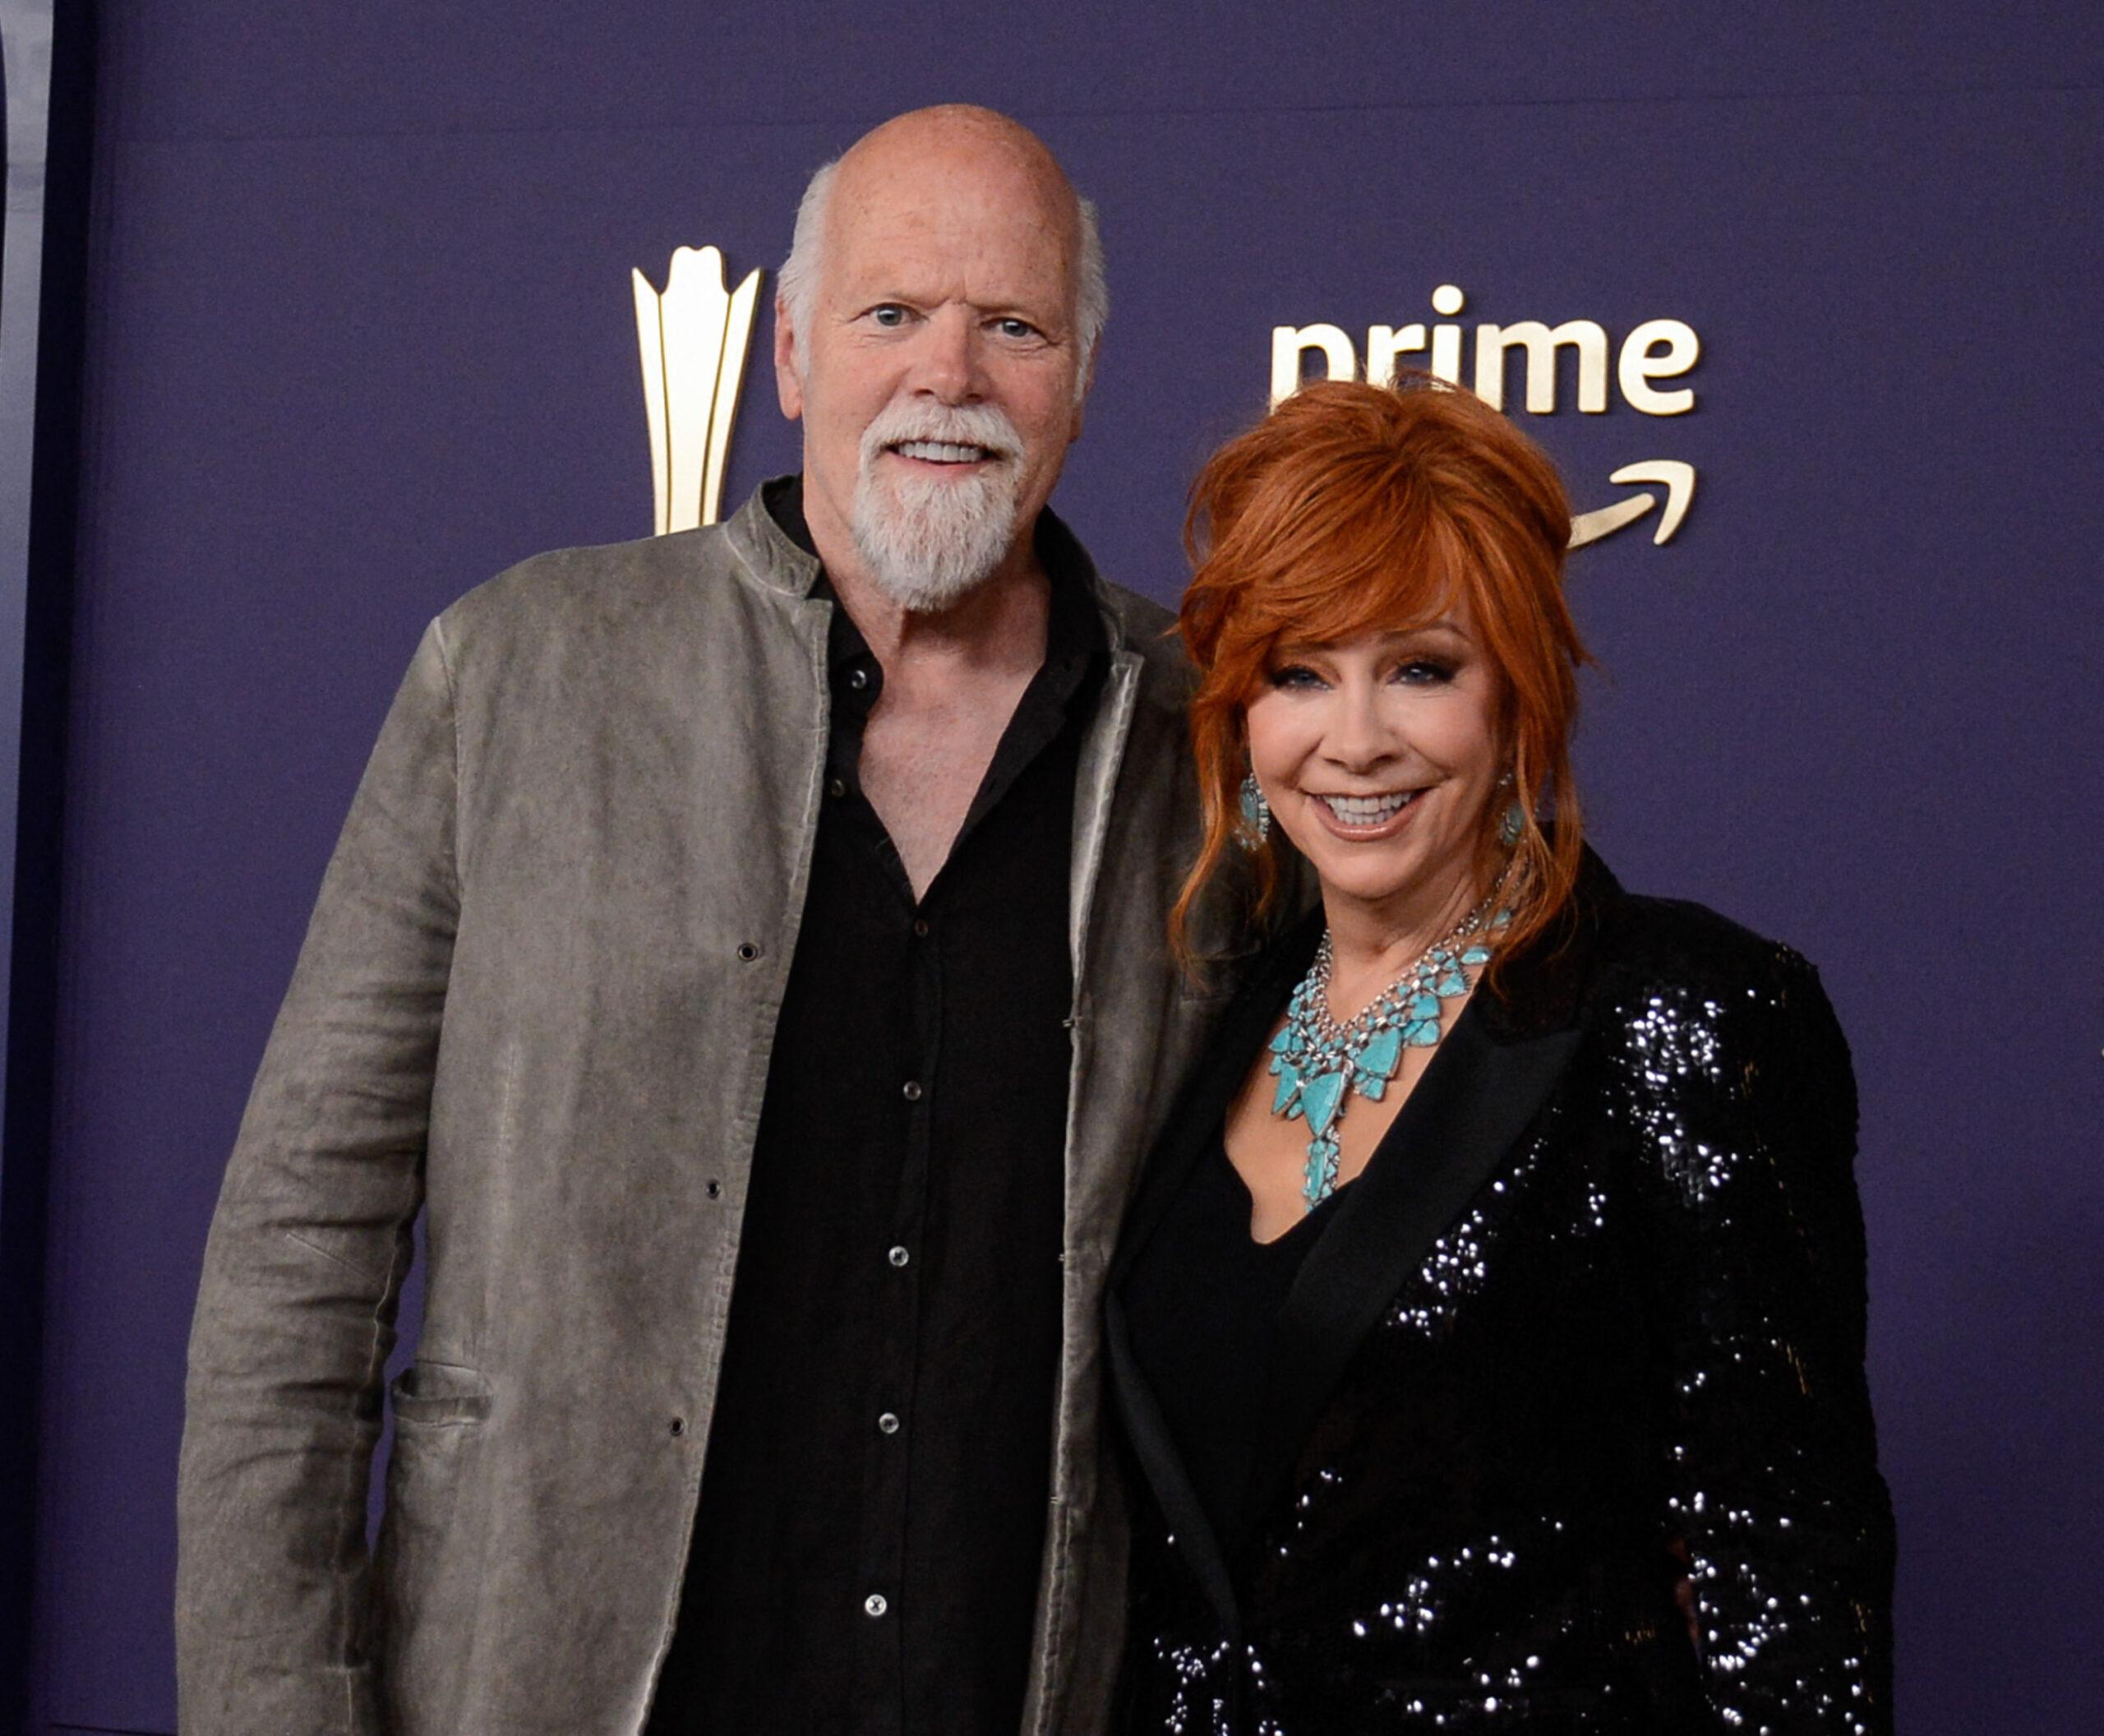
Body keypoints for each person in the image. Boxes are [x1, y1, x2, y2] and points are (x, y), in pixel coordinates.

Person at [177, 105, 1249, 1736]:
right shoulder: (520, 669)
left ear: (1078, 384)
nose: (948, 373)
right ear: (794, 357)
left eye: (1011, 326)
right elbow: (298, 1255)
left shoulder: (1204, 738)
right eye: (892, 314)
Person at [1106, 376, 1896, 1733]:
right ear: (1241, 709)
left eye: (1420, 667)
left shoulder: (1676, 1014)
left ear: (1517, 688)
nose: (1354, 742)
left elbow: (1788, 1566)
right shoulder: (1209, 1011)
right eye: (1300, 672)